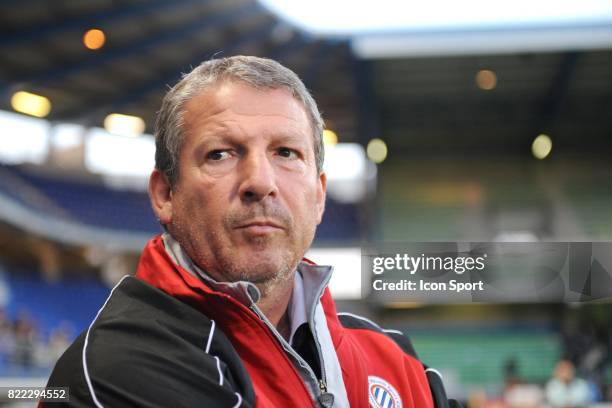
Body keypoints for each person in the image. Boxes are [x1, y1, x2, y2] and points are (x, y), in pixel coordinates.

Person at [45, 56, 460, 407]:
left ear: (319, 195)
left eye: (286, 152)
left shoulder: (391, 355)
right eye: (221, 154)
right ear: (165, 195)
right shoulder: (115, 367)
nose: (260, 181)